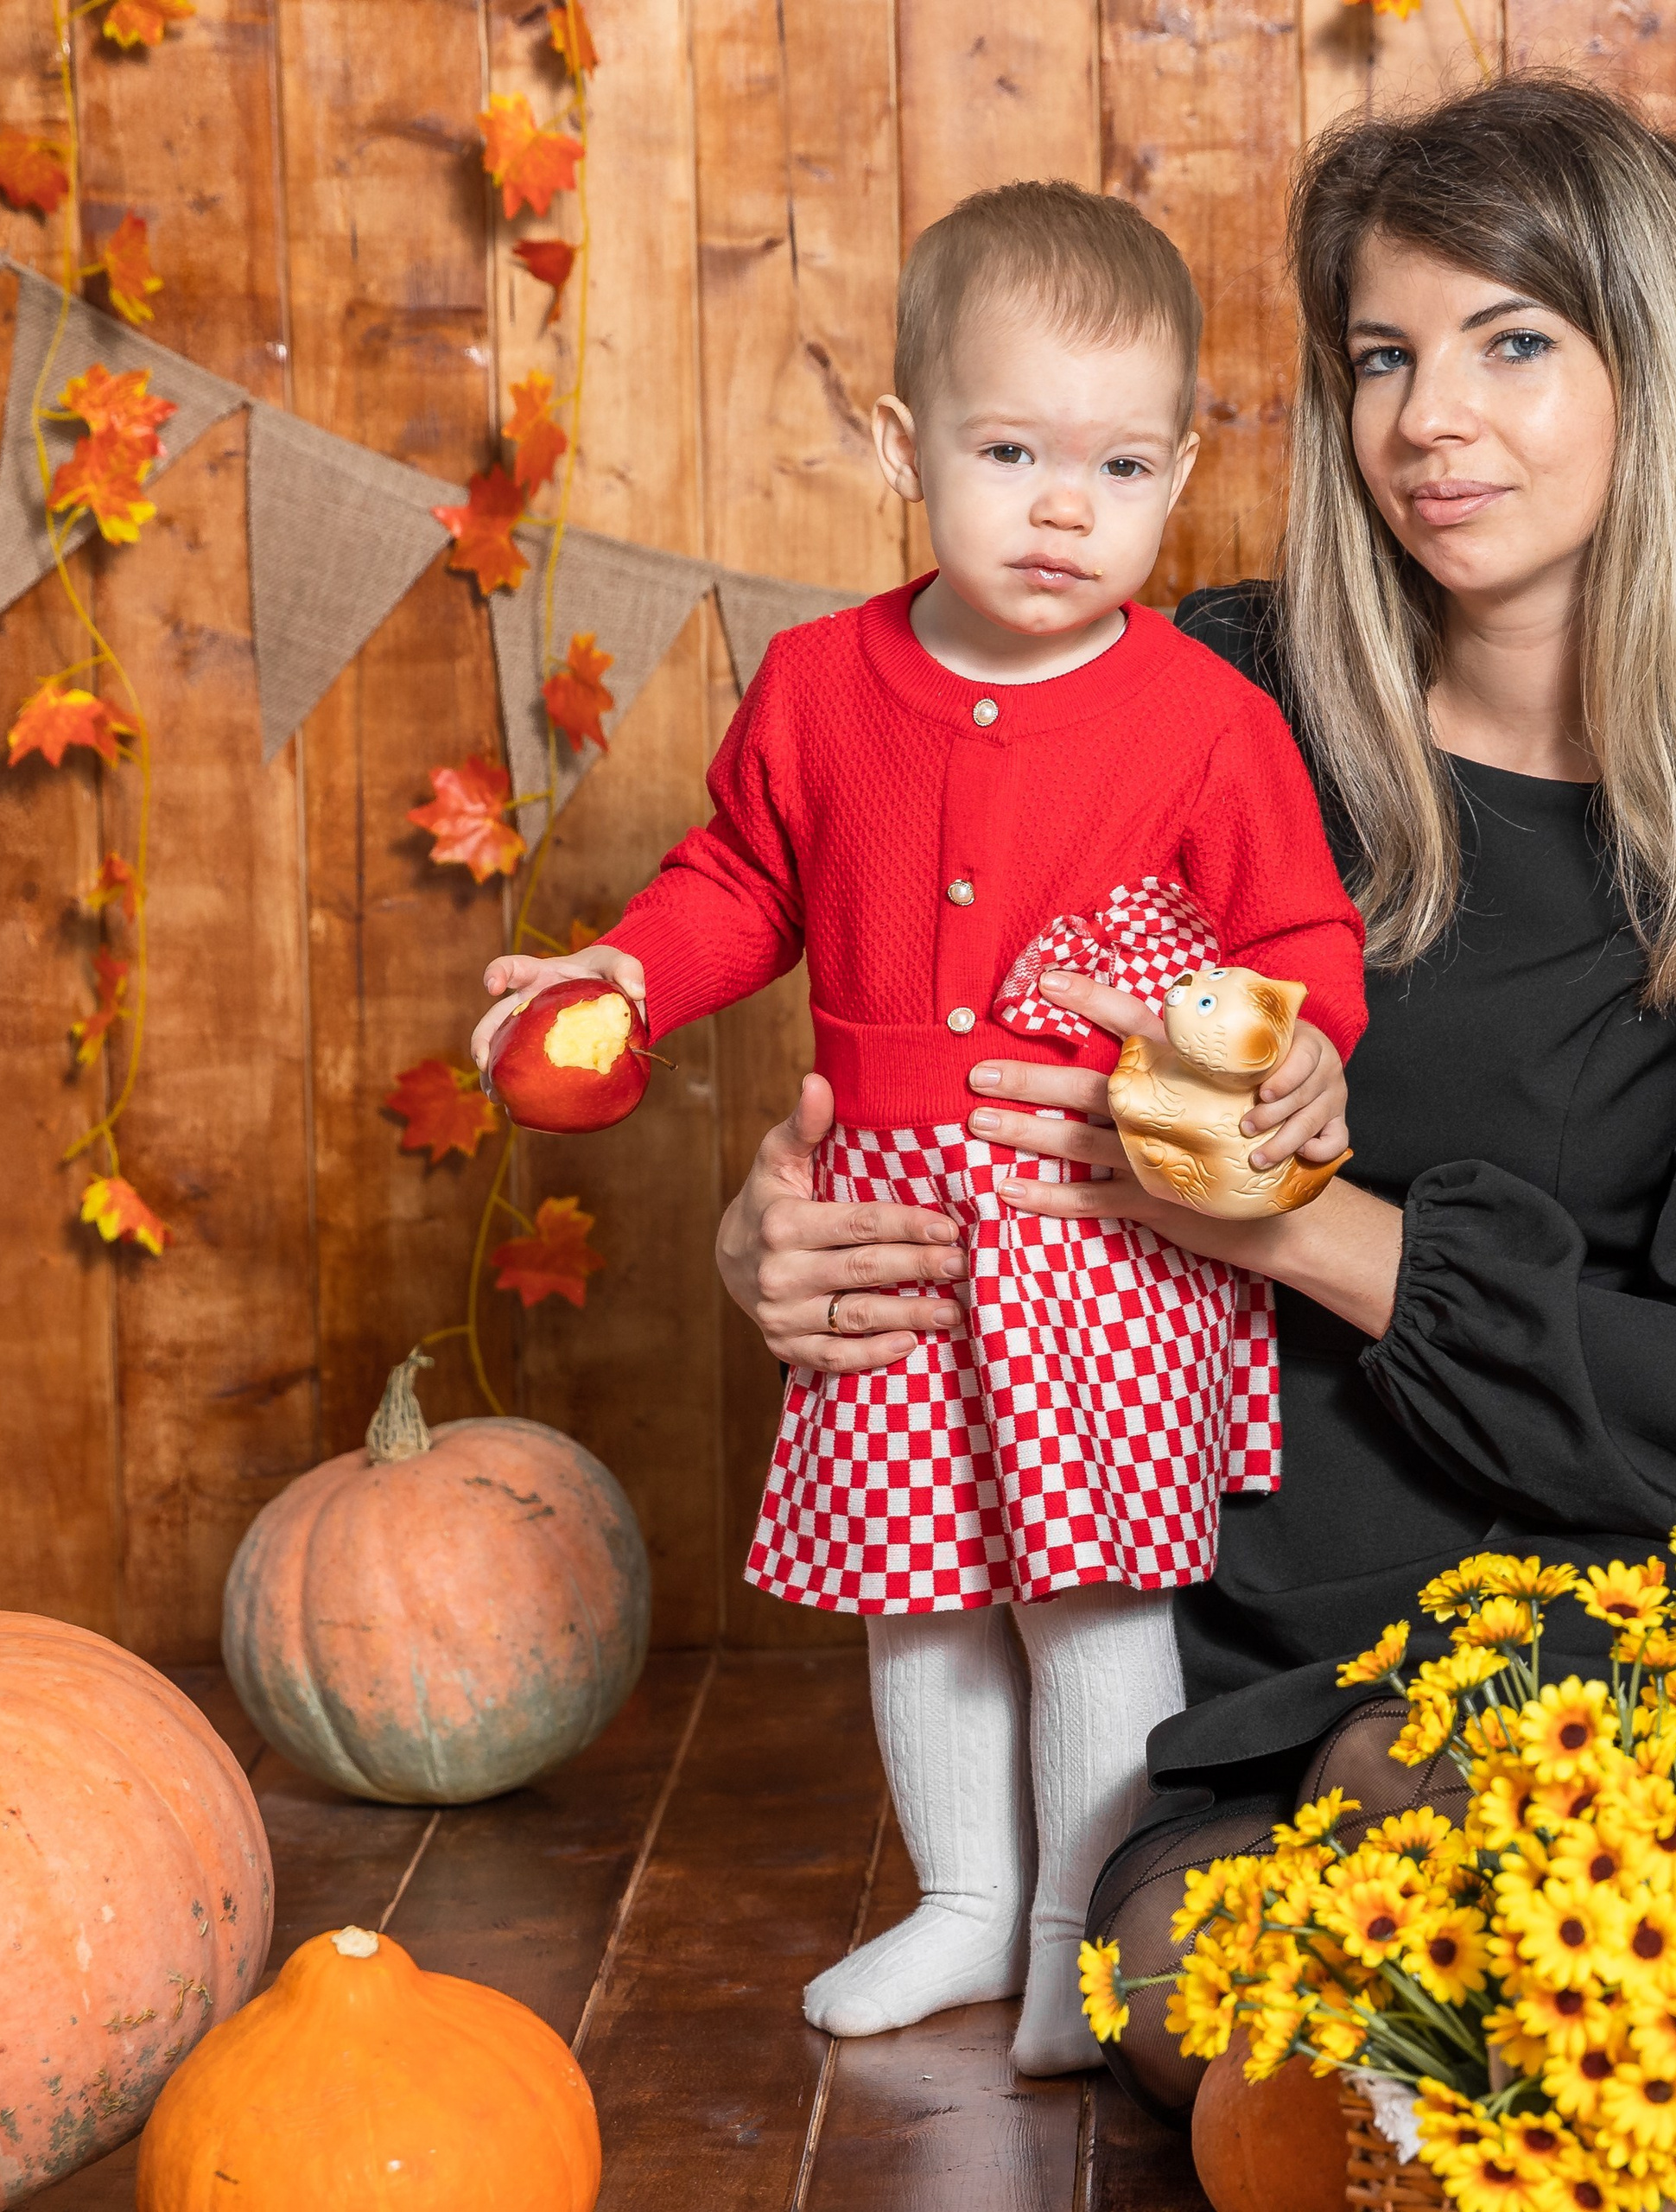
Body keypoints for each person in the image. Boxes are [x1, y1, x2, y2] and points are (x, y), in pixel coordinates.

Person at [709, 73, 1676, 2114]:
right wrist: (784, 1231)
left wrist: (1292, 1226)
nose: (1426, 420)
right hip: (1248, 1589)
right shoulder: (1191, 699)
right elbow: (908, 996)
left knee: (1654, 1946)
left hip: (1655, 1569)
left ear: (1664, 372)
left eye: (1511, 343)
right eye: (1382, 356)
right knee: (1269, 2013)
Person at [468, 182, 1368, 2076]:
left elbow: (1297, 939)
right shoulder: (817, 686)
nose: (1065, 505)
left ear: (1180, 465)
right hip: (887, 1215)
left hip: (1101, 1218)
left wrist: (1294, 1059)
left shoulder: (1205, 720)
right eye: (1011, 449)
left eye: (1118, 465)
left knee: (1090, 1592)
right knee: (917, 1582)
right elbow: (736, 879)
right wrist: (625, 975)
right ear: (900, 445)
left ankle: (1077, 1927)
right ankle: (965, 1900)